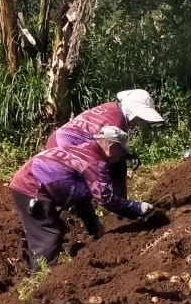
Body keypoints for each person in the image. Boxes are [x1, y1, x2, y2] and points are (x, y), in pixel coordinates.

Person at [9, 126, 155, 270]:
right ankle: (40, 279)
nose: (119, 159)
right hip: (32, 186)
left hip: (37, 182)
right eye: (121, 153)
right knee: (49, 234)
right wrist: (137, 208)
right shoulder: (95, 162)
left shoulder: (87, 150)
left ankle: (44, 272)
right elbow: (106, 199)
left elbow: (82, 198)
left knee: (54, 229)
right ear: (111, 148)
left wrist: (98, 232)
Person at [45, 89, 163, 227]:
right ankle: (101, 218)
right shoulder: (118, 122)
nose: (139, 123)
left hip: (58, 140)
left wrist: (126, 154)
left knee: (118, 165)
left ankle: (119, 207)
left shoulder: (113, 108)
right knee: (84, 186)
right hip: (65, 147)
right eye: (140, 119)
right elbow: (108, 151)